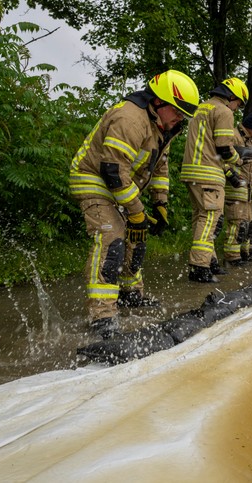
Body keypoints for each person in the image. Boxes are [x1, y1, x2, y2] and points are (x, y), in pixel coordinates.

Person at [68, 69, 199, 338]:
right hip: (95, 180)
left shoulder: (163, 127)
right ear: (158, 102)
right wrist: (137, 211)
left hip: (122, 185)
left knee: (136, 241)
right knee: (113, 240)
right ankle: (102, 315)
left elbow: (159, 168)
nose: (180, 118)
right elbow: (113, 171)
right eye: (177, 111)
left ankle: (130, 294)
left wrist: (160, 204)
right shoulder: (130, 118)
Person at [181, 77, 249, 283]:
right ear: (232, 96)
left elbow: (208, 145)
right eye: (239, 104)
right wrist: (239, 160)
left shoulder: (201, 108)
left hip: (191, 172)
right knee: (210, 219)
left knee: (201, 219)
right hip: (209, 174)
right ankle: (199, 267)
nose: (237, 108)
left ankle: (210, 261)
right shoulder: (224, 111)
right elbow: (223, 148)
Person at [223, 112, 252, 266]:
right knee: (237, 224)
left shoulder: (251, 140)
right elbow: (222, 158)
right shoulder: (233, 136)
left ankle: (244, 253)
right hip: (236, 188)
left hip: (249, 191)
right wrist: (230, 174)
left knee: (248, 225)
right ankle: (232, 257)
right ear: (251, 128)